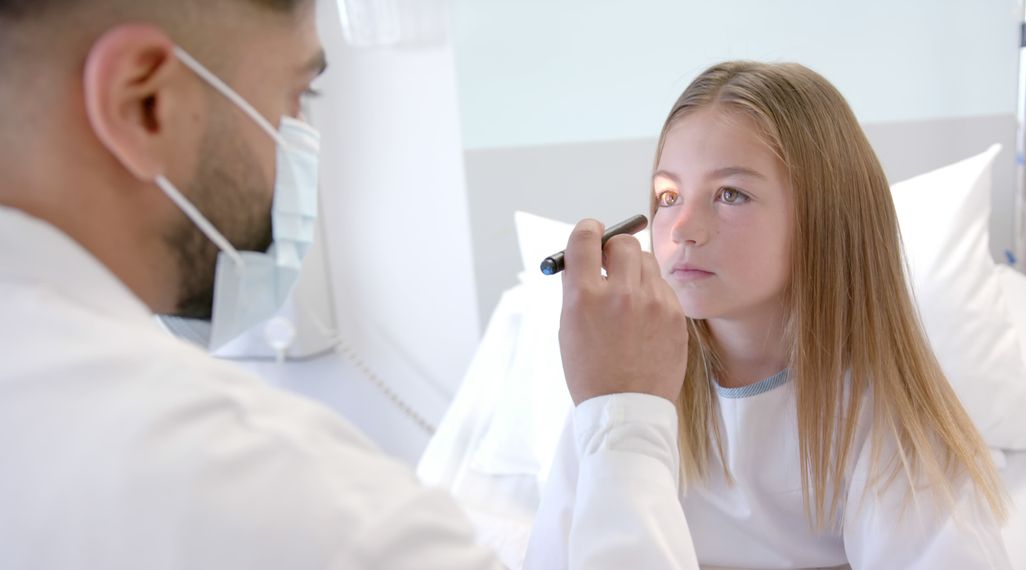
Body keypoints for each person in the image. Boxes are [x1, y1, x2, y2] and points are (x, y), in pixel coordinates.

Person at [0, 0, 690, 567]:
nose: (299, 141)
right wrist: (628, 422)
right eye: (295, 96)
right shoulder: (289, 502)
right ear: (144, 101)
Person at [525, 61, 1012, 569]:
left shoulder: (883, 421)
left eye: (730, 194)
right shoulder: (624, 392)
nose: (682, 229)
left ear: (826, 217)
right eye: (669, 196)